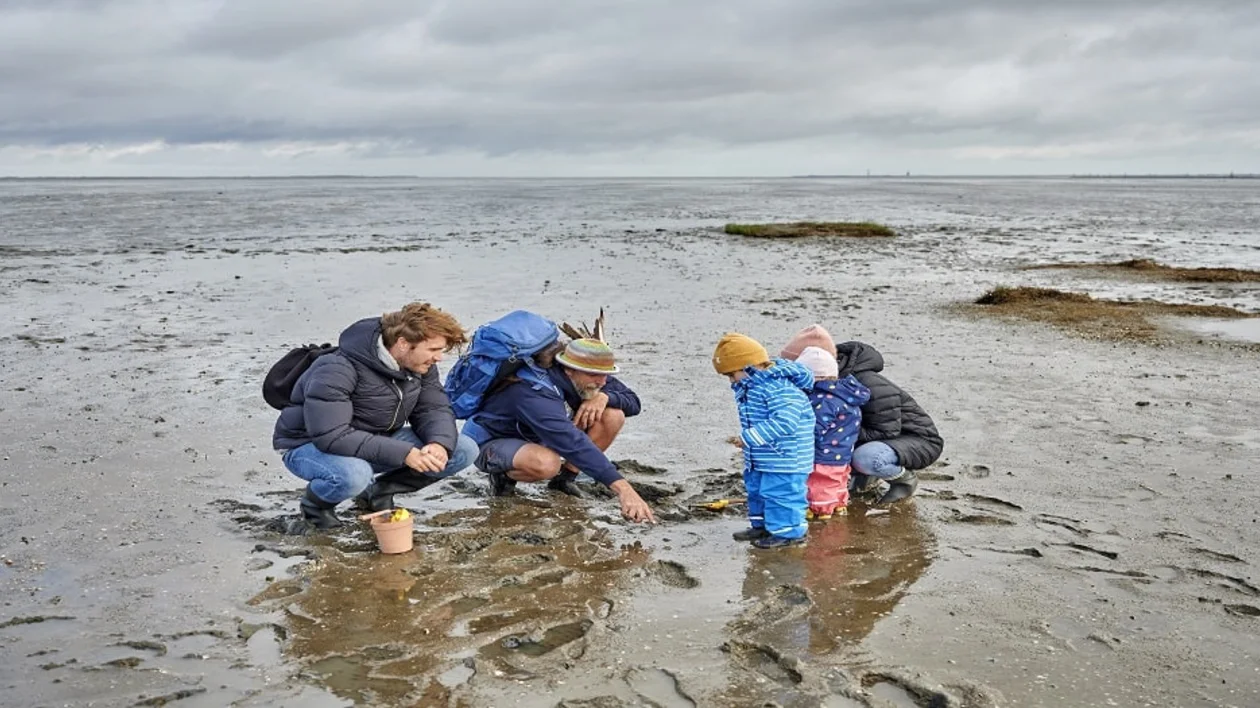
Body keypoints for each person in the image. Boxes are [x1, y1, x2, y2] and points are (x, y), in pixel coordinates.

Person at [272, 302, 479, 532]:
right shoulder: (336, 368)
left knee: (462, 449)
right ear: (403, 344)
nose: (439, 358)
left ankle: (379, 491)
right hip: (309, 446)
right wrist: (405, 453)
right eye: (433, 350)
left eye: (442, 350)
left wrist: (438, 443)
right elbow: (332, 436)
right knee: (355, 475)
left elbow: (433, 409)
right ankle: (315, 507)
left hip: (374, 439)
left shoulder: (419, 365)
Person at [461, 337, 656, 523]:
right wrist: (624, 489)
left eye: (607, 375)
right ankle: (503, 477)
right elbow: (572, 443)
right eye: (594, 375)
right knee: (546, 463)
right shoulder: (533, 391)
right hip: (490, 441)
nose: (602, 381)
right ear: (569, 370)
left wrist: (605, 397)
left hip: (538, 434)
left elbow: (633, 402)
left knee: (613, 415)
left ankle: (564, 480)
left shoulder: (595, 376)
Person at [782, 324, 944, 504]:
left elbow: (887, 431)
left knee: (865, 458)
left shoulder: (866, 384)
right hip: (881, 438)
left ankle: (904, 480)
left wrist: (839, 430)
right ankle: (864, 477)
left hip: (917, 439)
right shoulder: (823, 385)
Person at [713, 332, 815, 549]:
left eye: (733, 375)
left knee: (782, 495)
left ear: (750, 367)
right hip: (762, 455)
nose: (732, 381)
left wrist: (749, 437)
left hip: (786, 458)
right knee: (757, 490)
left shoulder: (780, 388)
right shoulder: (752, 387)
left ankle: (789, 533)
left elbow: (785, 422)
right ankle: (763, 526)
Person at [794, 346, 870, 520]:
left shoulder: (824, 399)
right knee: (837, 480)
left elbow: (815, 428)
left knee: (820, 483)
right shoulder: (846, 396)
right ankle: (839, 504)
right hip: (842, 451)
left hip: (823, 453)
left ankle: (820, 510)